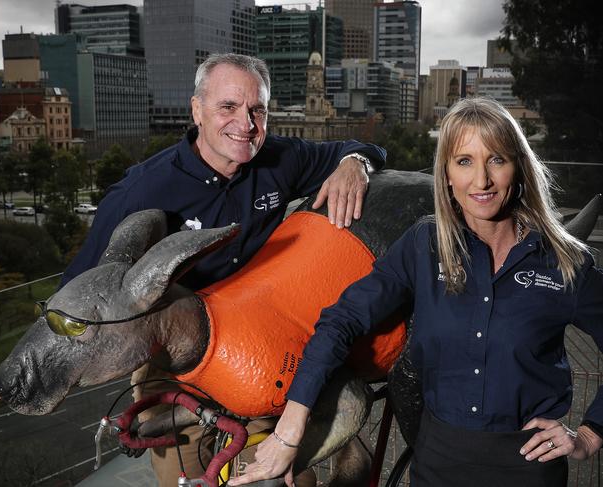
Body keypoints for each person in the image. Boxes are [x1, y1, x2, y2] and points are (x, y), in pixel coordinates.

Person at [229, 97, 603, 487]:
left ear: (519, 169)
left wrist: (590, 435)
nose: (481, 181)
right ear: (446, 176)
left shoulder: (563, 262)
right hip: (438, 464)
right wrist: (290, 428)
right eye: (464, 162)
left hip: (529, 470)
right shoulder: (424, 244)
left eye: (497, 160)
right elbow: (341, 320)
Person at [60, 53, 386, 485]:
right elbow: (79, 292)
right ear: (197, 110)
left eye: (257, 110)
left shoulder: (277, 159)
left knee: (281, 476)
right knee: (191, 476)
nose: (245, 124)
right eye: (228, 107)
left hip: (258, 347)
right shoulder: (141, 190)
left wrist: (354, 165)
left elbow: (365, 149)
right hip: (176, 361)